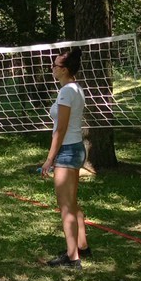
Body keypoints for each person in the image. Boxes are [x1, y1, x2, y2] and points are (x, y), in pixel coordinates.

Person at [41, 48, 89, 268]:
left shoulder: (66, 92)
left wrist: (49, 159)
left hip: (67, 151)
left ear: (64, 70)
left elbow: (60, 130)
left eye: (55, 65)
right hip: (76, 148)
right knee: (72, 202)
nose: (52, 68)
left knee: (65, 206)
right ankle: (82, 246)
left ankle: (72, 258)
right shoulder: (75, 88)